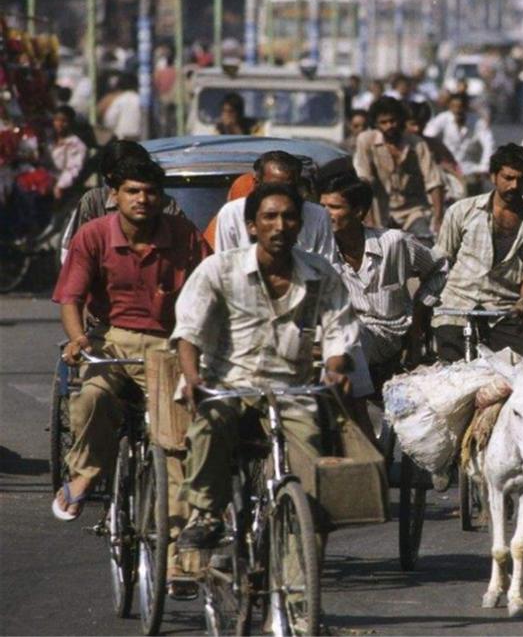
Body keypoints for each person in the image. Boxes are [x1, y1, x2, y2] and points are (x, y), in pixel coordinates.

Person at [51, 154, 210, 598]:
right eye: (133, 191)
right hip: (111, 339)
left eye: (151, 192)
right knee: (91, 398)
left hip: (170, 344)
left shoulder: (183, 235)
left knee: (175, 446)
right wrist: (78, 338)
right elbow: (70, 297)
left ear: (162, 197)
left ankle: (178, 561)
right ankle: (85, 473)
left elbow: (209, 287)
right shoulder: (94, 235)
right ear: (115, 195)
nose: (142, 199)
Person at [174, 183, 358, 551]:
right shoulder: (219, 269)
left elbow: (339, 329)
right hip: (228, 383)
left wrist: (336, 368)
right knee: (208, 430)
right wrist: (193, 378)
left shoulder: (319, 272)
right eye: (269, 217)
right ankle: (206, 513)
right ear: (252, 226)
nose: (280, 226)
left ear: (300, 224)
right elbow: (189, 330)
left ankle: (297, 564)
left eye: (289, 217)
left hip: (291, 389)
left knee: (311, 453)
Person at [318, 174, 447, 386]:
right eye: (322, 206)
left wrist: (419, 312)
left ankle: (358, 405)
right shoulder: (321, 252)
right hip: (345, 330)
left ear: (358, 211)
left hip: (389, 333)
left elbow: (439, 269)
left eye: (334, 207)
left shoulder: (393, 242)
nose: (325, 214)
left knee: (347, 339)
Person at [432, 144, 523, 360]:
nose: (514, 186)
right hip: (457, 306)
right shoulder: (462, 211)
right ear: (493, 176)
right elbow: (441, 262)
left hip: (504, 310)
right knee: (452, 368)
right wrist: (424, 309)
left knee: (522, 367)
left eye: (522, 180)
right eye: (508, 178)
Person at [60, 141, 182, 262]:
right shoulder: (93, 201)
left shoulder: (165, 204)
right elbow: (74, 253)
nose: (142, 199)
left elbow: (182, 249)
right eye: (132, 190)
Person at [212, 151, 336, 262]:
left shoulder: (318, 216)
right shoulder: (232, 214)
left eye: (289, 188)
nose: (280, 226)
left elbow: (327, 267)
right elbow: (224, 266)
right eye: (274, 188)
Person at [354, 96, 446, 238]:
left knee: (424, 240)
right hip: (381, 212)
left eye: (392, 121)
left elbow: (434, 181)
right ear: (376, 124)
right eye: (383, 122)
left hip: (413, 211)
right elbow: (364, 181)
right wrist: (368, 219)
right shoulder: (366, 141)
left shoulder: (417, 143)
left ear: (400, 119)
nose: (389, 126)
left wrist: (438, 219)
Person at [423, 92, 495, 182]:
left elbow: (489, 144)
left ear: (466, 107)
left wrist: (484, 167)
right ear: (449, 107)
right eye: (454, 106)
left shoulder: (477, 122)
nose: (457, 110)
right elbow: (428, 137)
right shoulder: (442, 119)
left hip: (470, 170)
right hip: (447, 169)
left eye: (460, 107)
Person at [49, 105, 88, 200]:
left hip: (63, 186)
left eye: (64, 121)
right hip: (46, 180)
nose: (59, 124)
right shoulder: (49, 140)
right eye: (57, 120)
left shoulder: (76, 144)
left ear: (71, 123)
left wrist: (60, 186)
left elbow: (73, 169)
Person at [102, 73, 141, 141]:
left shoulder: (119, 100)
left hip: (122, 136)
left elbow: (110, 119)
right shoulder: (139, 99)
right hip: (137, 136)